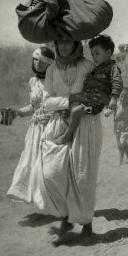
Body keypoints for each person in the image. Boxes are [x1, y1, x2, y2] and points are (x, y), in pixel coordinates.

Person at [39, 40, 106, 240]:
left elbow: (98, 93)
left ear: (76, 43)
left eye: (68, 42)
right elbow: (46, 101)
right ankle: (66, 215)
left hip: (86, 124)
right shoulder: (52, 69)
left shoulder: (88, 66)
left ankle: (86, 223)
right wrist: (70, 101)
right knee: (53, 174)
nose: (63, 47)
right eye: (60, 43)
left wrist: (83, 103)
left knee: (83, 176)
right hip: (58, 123)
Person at [7, 46, 56, 203]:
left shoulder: (55, 81)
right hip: (35, 130)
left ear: (50, 64)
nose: (37, 64)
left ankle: (53, 203)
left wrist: (49, 117)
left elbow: (61, 104)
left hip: (52, 127)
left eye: (42, 61)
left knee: (48, 166)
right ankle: (38, 201)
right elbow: (33, 107)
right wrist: (17, 112)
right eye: (35, 59)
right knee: (30, 163)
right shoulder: (32, 81)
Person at [53, 35, 122, 145]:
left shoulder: (113, 68)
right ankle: (68, 121)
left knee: (75, 109)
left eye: (97, 53)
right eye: (93, 54)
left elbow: (117, 82)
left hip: (95, 102)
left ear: (108, 53)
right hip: (89, 97)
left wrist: (114, 98)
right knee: (71, 101)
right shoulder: (97, 68)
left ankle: (67, 135)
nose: (94, 57)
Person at [108, 87, 128, 165]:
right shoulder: (117, 104)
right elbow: (110, 110)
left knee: (121, 144)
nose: (122, 98)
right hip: (117, 127)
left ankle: (120, 162)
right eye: (121, 96)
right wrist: (107, 112)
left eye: (125, 97)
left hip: (126, 127)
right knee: (123, 143)